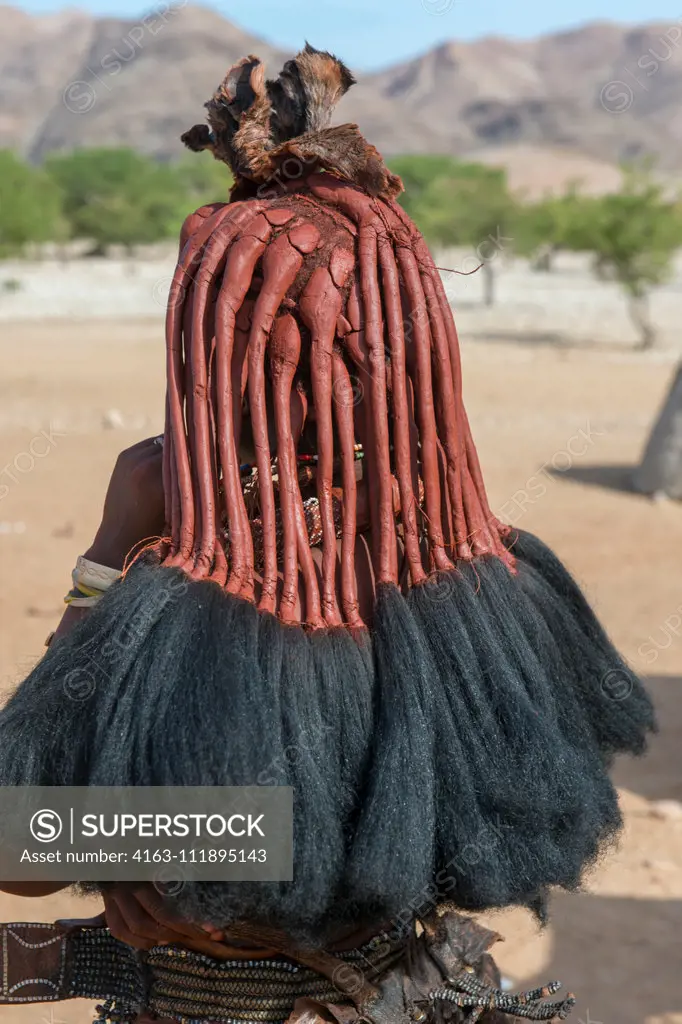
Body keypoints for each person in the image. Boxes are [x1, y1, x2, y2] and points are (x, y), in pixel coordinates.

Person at [0, 44, 654, 1024]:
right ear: (407, 340)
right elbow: (490, 835)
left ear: (210, 354)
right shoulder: (501, 585)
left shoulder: (176, 586)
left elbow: (27, 853)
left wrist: (110, 552)